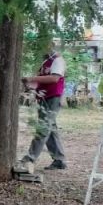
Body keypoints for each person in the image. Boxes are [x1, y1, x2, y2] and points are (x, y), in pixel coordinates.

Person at [19, 40, 67, 171]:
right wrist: (31, 86)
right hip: (44, 97)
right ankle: (59, 159)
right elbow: (42, 80)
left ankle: (30, 158)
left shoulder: (57, 60)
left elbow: (54, 78)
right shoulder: (45, 62)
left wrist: (32, 78)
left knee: (43, 127)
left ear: (50, 46)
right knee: (50, 128)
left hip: (53, 97)